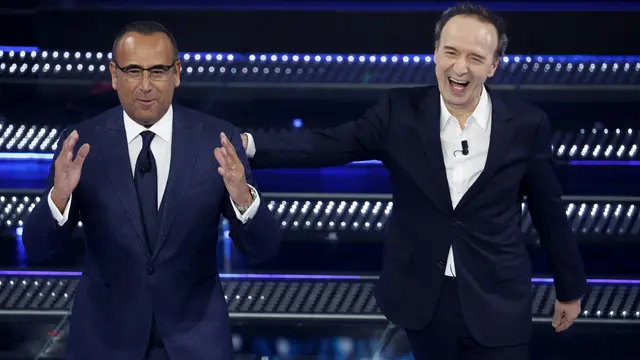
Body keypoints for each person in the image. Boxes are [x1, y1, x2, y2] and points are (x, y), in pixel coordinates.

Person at [240, 4, 586, 360]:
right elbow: (327, 144)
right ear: (435, 52)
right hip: (420, 301)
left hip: (497, 299)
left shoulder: (527, 124)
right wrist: (249, 145)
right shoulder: (398, 111)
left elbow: (548, 211)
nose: (460, 67)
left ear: (494, 66)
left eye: (475, 57)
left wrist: (569, 288)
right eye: (450, 52)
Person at [22, 21, 281, 360]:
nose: (145, 86)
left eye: (157, 71)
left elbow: (264, 249)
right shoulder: (83, 144)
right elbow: (37, 247)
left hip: (195, 341)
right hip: (105, 343)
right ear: (114, 75)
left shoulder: (217, 141)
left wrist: (244, 200)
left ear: (177, 73)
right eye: (133, 71)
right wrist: (59, 198)